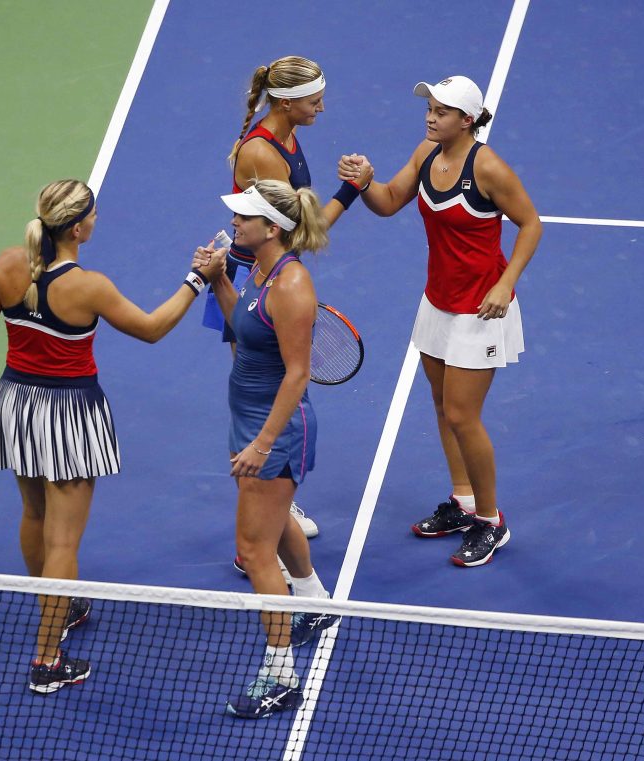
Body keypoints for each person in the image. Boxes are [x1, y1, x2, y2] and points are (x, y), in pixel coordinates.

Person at [0, 179, 225, 693]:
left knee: (34, 516)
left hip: (18, 407)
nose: (96, 218)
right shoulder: (89, 286)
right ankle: (47, 661)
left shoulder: (6, 265)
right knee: (63, 541)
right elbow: (153, 328)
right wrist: (197, 279)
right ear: (76, 227)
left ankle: (56, 608)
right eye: (92, 213)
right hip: (68, 416)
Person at [339, 75, 542, 567]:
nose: (431, 117)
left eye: (442, 112)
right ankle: (464, 501)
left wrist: (504, 282)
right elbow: (387, 203)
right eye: (429, 109)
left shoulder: (488, 167)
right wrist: (365, 182)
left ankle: (491, 521)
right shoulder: (427, 153)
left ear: (467, 120)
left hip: (481, 308)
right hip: (437, 303)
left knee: (462, 415)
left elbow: (531, 224)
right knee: (439, 403)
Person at [204, 54, 371, 551]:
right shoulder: (263, 154)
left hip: (265, 275)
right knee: (263, 389)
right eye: (314, 101)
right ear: (285, 101)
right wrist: (351, 191)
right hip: (247, 283)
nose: (322, 108)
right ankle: (265, 515)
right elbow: (295, 236)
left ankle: (271, 498)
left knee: (270, 386)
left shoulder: (288, 136)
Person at [201, 180, 341, 719]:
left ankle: (281, 677)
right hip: (249, 420)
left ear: (273, 228)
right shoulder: (258, 272)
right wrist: (217, 283)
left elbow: (298, 374)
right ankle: (312, 599)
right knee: (272, 522)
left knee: (255, 551)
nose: (235, 223)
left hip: (274, 430)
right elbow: (243, 327)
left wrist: (263, 444)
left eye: (244, 218)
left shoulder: (292, 285)